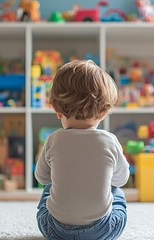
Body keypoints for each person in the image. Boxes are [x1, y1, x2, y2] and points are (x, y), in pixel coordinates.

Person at [35, 60, 130, 240]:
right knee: (116, 191)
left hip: (55, 230)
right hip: (102, 231)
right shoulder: (110, 141)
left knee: (49, 186)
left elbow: (41, 178)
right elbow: (122, 179)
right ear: (103, 112)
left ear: (56, 108)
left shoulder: (53, 140)